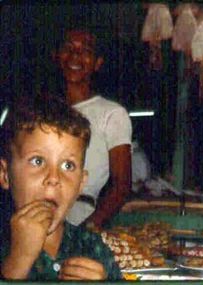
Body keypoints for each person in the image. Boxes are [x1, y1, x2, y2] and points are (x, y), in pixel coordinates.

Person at [0, 95, 121, 280]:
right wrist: (17, 264)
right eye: (38, 161)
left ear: (81, 183)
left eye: (68, 166)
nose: (54, 178)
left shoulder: (94, 248)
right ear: (5, 174)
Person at [55, 30, 132, 227]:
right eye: (69, 48)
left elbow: (121, 186)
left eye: (85, 51)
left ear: (97, 63)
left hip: (79, 215)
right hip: (39, 214)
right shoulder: (44, 112)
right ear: (57, 55)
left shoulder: (112, 114)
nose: (75, 56)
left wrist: (86, 231)